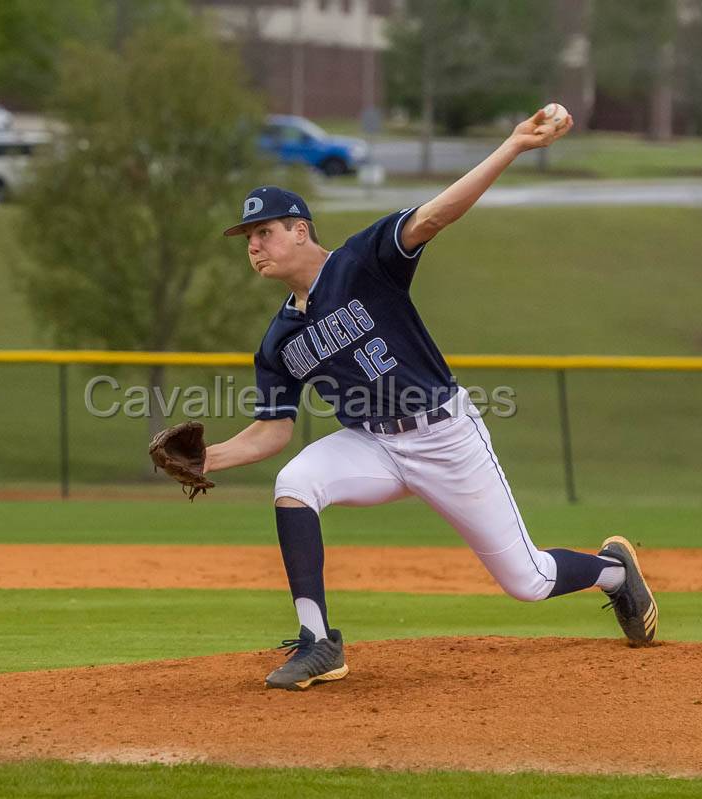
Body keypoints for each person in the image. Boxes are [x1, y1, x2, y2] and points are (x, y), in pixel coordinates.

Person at [204, 107, 657, 691]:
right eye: (247, 240)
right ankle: (317, 643)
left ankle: (614, 574)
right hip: (373, 446)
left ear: (300, 229)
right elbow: (272, 431)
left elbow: (437, 214)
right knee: (295, 483)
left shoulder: (362, 262)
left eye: (264, 232)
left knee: (529, 580)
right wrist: (207, 459)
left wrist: (513, 145)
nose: (254, 247)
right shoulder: (279, 341)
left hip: (446, 438)